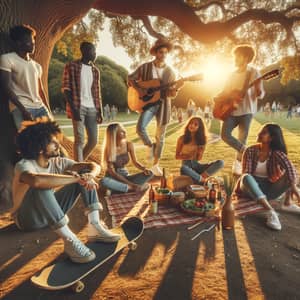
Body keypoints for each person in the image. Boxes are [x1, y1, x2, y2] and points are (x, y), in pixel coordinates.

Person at [12, 120, 120, 263]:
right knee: (41, 186)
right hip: (28, 220)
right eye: (53, 143)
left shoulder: (57, 162)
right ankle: (70, 239)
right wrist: (75, 179)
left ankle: (95, 226)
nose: (59, 145)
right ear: (40, 148)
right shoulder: (24, 165)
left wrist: (89, 176)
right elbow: (36, 181)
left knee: (84, 172)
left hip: (49, 215)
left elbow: (92, 165)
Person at [127, 38, 184, 176]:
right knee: (140, 128)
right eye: (160, 52)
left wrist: (177, 87)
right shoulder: (145, 67)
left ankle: (156, 165)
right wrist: (140, 90)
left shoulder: (170, 72)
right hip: (148, 104)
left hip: (163, 105)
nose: (163, 55)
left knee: (161, 137)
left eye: (165, 52)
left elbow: (170, 93)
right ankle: (150, 146)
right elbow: (130, 78)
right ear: (155, 53)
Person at [235, 123, 300, 230]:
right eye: (261, 131)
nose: (259, 134)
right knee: (246, 177)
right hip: (250, 189)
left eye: (264, 132)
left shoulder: (277, 153)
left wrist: (295, 189)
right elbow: (246, 173)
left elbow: (290, 168)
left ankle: (287, 203)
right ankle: (270, 212)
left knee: (292, 174)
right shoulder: (250, 150)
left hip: (269, 189)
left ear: (272, 138)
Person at [219, 45, 265, 176]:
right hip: (231, 111)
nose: (235, 58)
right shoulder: (232, 74)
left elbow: (260, 94)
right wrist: (219, 98)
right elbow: (226, 91)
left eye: (237, 56)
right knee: (225, 135)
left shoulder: (254, 72)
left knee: (242, 138)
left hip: (247, 111)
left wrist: (258, 91)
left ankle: (238, 165)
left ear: (245, 57)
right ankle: (247, 151)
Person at [0, 25, 51, 130]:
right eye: (29, 42)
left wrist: (48, 110)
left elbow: (40, 90)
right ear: (19, 43)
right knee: (28, 143)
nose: (33, 45)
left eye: (33, 42)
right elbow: (6, 88)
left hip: (40, 107)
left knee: (52, 141)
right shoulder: (7, 59)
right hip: (21, 107)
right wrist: (24, 111)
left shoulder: (37, 66)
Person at [62, 41, 103, 162]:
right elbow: (66, 89)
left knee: (93, 140)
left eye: (95, 51)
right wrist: (74, 109)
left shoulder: (96, 71)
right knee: (79, 140)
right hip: (78, 106)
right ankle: (79, 169)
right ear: (84, 51)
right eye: (93, 51)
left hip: (92, 108)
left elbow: (97, 92)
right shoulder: (71, 66)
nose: (95, 54)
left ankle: (77, 164)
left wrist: (100, 111)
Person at [100, 123, 153, 193]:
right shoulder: (109, 149)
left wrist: (144, 169)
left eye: (123, 130)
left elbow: (135, 162)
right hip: (113, 178)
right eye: (121, 131)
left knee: (150, 173)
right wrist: (132, 185)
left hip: (125, 176)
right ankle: (130, 188)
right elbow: (113, 173)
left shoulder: (129, 145)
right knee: (104, 181)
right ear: (114, 135)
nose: (125, 132)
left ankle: (118, 189)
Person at [175, 117, 224, 183]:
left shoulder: (202, 140)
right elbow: (177, 156)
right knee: (183, 168)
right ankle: (201, 180)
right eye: (191, 123)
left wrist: (200, 152)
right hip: (187, 167)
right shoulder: (182, 139)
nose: (192, 125)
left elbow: (198, 158)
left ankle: (200, 178)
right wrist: (188, 156)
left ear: (199, 128)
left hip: (197, 166)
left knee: (221, 163)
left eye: (195, 124)